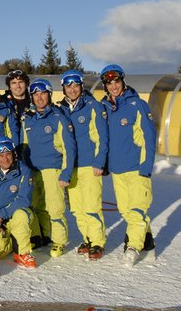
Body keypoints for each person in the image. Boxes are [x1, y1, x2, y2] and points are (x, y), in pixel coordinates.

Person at [100, 64, 156, 266]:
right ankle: (148, 246)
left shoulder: (137, 105)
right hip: (117, 170)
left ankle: (132, 247)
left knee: (137, 211)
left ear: (123, 81)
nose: (113, 86)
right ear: (105, 86)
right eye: (109, 83)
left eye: (116, 81)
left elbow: (149, 139)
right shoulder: (105, 107)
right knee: (125, 211)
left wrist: (146, 168)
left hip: (136, 168)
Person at [20, 78, 76, 258]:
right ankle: (45, 236)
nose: (39, 97)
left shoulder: (58, 118)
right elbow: (24, 146)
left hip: (53, 169)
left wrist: (66, 173)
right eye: (35, 94)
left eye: (43, 93)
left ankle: (59, 241)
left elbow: (69, 148)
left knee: (55, 207)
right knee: (38, 206)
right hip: (34, 170)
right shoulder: (28, 119)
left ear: (49, 95)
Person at [58, 70, 109, 260]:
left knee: (91, 205)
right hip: (72, 166)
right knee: (77, 207)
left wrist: (99, 161)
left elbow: (103, 137)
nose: (72, 89)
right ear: (63, 88)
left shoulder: (92, 106)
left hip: (89, 165)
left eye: (76, 85)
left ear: (81, 86)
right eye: (68, 86)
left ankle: (97, 242)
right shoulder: (61, 109)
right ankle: (87, 238)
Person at [0, 136, 36, 268]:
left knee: (21, 215)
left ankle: (23, 253)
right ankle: (12, 240)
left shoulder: (24, 171)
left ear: (13, 154)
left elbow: (24, 199)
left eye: (8, 154)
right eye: (0, 156)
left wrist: (1, 214)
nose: (5, 159)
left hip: (16, 214)